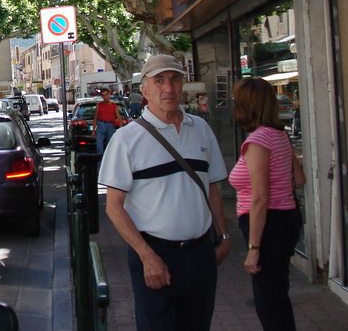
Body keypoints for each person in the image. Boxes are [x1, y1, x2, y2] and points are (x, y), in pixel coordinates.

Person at [98, 54, 231, 331]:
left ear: (183, 85)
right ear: (144, 91)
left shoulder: (202, 129)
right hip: (155, 255)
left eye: (175, 79)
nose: (168, 88)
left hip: (200, 256)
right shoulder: (127, 139)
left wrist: (223, 236)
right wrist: (147, 257)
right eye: (159, 81)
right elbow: (114, 207)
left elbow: (212, 189)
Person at [228, 77, 306, 331]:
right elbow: (299, 179)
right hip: (286, 219)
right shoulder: (278, 134)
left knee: (269, 301)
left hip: (268, 224)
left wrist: (254, 247)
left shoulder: (258, 142)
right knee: (275, 295)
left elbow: (260, 199)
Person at [92, 88, 123, 154]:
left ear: (109, 94)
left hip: (110, 125)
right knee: (99, 146)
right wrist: (93, 131)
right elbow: (95, 119)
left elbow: (119, 119)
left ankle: (108, 162)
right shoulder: (99, 105)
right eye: (103, 95)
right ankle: (100, 163)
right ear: (102, 96)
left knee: (110, 146)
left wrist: (121, 130)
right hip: (101, 125)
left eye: (106, 94)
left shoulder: (114, 106)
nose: (105, 97)